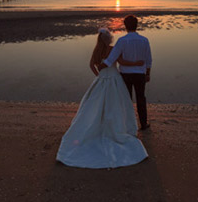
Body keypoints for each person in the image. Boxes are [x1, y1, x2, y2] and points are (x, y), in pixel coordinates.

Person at [56, 28, 148, 169]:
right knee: (117, 105)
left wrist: (98, 75)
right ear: (108, 39)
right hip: (115, 80)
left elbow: (91, 65)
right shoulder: (112, 49)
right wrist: (137, 63)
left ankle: (98, 125)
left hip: (102, 79)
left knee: (96, 104)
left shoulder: (96, 50)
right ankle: (116, 127)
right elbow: (122, 62)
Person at [100, 14, 152, 130]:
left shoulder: (122, 41)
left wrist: (102, 66)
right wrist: (148, 73)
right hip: (140, 74)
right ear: (136, 26)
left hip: (125, 75)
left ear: (125, 26)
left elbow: (112, 57)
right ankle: (143, 123)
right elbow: (148, 59)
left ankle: (127, 124)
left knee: (126, 100)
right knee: (141, 98)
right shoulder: (144, 40)